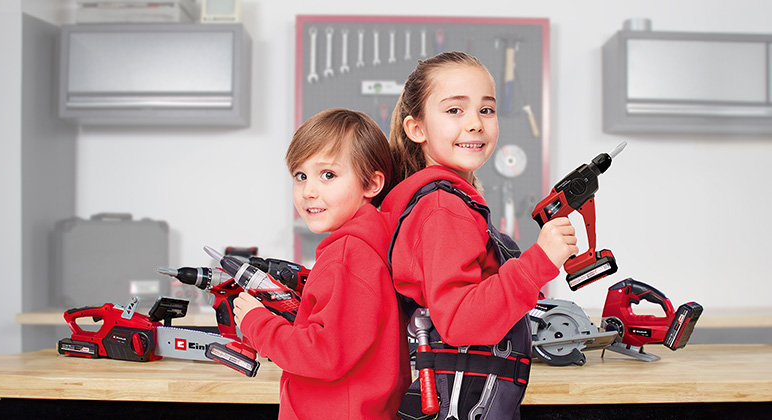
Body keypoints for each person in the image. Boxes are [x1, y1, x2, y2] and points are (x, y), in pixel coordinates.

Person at [382, 51, 579, 420]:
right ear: (417, 129)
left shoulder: (443, 202)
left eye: (486, 110)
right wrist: (539, 261)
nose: (475, 123)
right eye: (455, 110)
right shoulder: (443, 208)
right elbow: (459, 321)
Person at [233, 108, 411, 420]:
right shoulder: (370, 246)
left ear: (371, 184)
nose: (309, 191)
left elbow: (324, 354)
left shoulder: (348, 254)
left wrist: (257, 322)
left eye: (328, 175)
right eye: (300, 176)